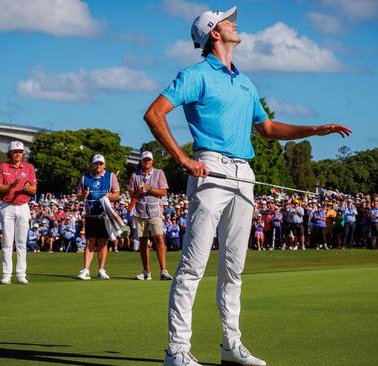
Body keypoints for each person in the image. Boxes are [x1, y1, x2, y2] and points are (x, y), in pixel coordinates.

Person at [143, 6, 351, 365]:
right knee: (193, 266)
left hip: (244, 173)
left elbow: (267, 129)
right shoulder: (195, 74)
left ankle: (231, 346)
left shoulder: (244, 80)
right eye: (227, 20)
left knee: (233, 267)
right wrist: (182, 158)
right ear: (214, 33)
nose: (235, 23)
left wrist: (313, 130)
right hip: (210, 169)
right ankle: (176, 351)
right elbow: (154, 113)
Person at [0, 141, 37, 285]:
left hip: (23, 206)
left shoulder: (29, 167)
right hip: (7, 206)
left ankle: (21, 274)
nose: (18, 154)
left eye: (20, 152)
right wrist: (11, 186)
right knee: (7, 242)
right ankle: (6, 274)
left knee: (21, 243)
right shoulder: (3, 167)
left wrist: (27, 189)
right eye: (15, 151)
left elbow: (34, 189)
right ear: (10, 153)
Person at [129, 151, 172, 281]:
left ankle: (163, 270)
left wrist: (150, 189)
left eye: (149, 160)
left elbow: (163, 192)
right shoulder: (134, 176)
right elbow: (132, 195)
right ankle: (146, 271)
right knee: (142, 241)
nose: (147, 162)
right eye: (144, 160)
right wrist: (140, 191)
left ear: (152, 161)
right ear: (141, 161)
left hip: (155, 212)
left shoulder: (159, 173)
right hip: (140, 212)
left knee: (159, 238)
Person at [76, 154, 120, 280]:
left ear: (104, 165)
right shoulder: (84, 178)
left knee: (103, 242)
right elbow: (78, 196)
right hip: (90, 214)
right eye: (96, 163)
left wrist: (108, 196)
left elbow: (117, 194)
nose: (98, 165)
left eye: (101, 163)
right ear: (93, 164)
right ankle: (86, 270)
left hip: (105, 215)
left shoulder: (110, 176)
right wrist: (83, 195)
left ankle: (101, 269)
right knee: (90, 242)